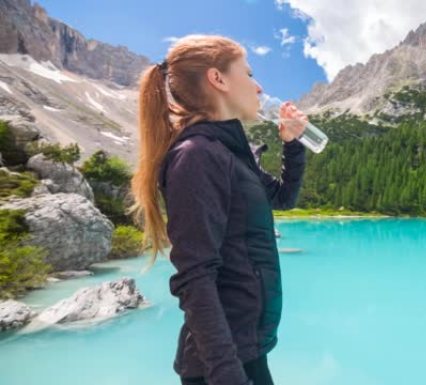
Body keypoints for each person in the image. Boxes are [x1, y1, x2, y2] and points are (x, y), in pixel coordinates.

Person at [128, 34, 308, 385]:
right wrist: (227, 374)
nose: (258, 88)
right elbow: (194, 276)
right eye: (250, 73)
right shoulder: (197, 155)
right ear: (218, 79)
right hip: (221, 367)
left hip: (247, 351)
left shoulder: (227, 152)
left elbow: (283, 198)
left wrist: (292, 144)